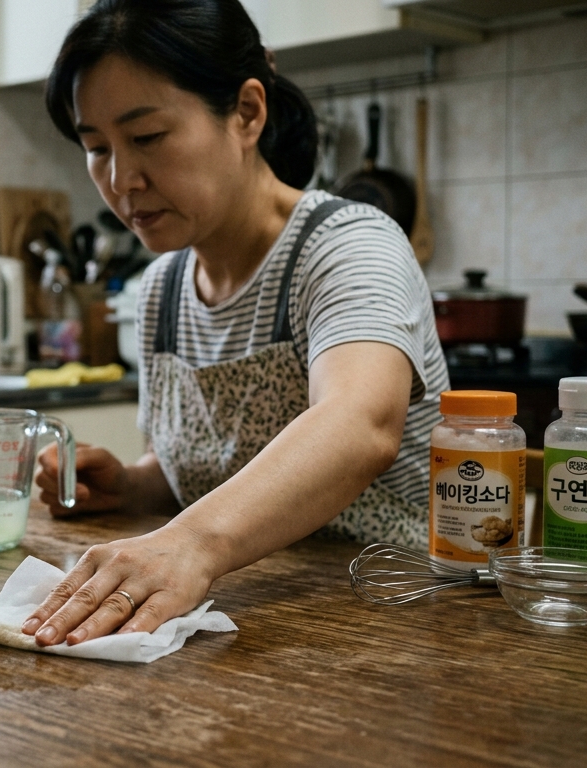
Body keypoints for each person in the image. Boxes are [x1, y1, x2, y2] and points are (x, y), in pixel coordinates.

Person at [24, 0, 449, 648]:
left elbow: (361, 425)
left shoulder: (347, 246)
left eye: (146, 138)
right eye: (96, 148)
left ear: (247, 112)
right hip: (248, 628)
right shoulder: (162, 286)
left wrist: (189, 545)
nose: (121, 179)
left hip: (398, 621)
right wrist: (140, 486)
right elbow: (217, 462)